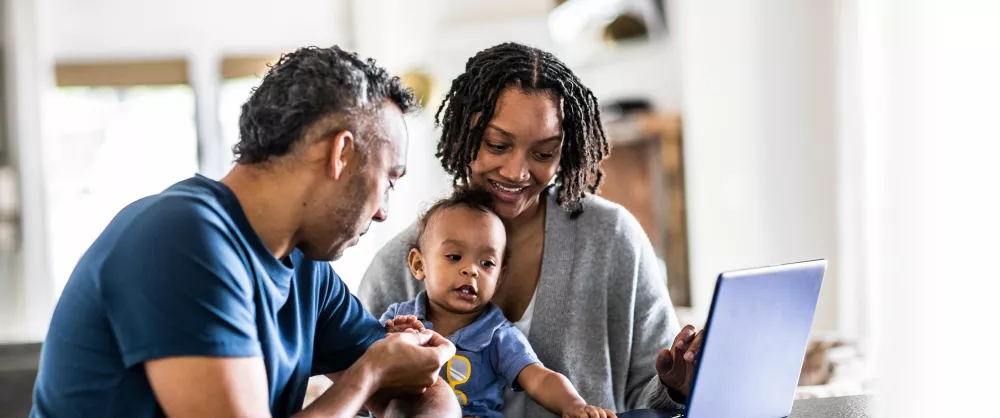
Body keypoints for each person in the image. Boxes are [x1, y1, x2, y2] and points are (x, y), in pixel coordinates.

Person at [31, 46, 461, 418]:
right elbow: (378, 370)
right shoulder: (179, 240)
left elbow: (416, 383)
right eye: (389, 178)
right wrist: (369, 375)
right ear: (341, 154)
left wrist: (403, 372)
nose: (384, 211)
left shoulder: (304, 266)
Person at [357, 42, 703, 417]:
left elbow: (652, 404)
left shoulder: (611, 238)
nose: (517, 172)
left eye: (543, 153)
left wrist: (677, 388)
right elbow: (357, 400)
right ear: (463, 134)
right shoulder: (397, 266)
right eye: (497, 144)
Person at [379, 188, 618, 418]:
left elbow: (539, 378)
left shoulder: (497, 334)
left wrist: (574, 405)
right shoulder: (398, 318)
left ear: (499, 278)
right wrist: (389, 344)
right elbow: (363, 367)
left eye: (486, 263)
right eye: (454, 257)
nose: (471, 270)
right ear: (419, 264)